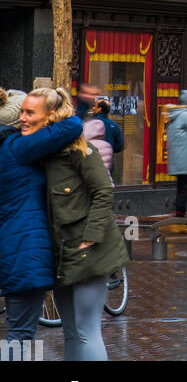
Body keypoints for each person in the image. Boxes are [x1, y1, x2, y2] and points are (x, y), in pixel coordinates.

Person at [0, 83, 94, 355]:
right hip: (23, 253)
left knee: (18, 333)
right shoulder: (16, 147)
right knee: (20, 335)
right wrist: (63, 105)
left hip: (14, 250)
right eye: (23, 114)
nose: (25, 119)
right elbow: (72, 126)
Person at [41, 86, 129, 361]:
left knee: (86, 331)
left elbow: (104, 192)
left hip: (89, 251)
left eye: (30, 113)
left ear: (51, 116)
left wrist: (90, 237)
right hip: (63, 252)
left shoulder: (81, 149)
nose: (23, 118)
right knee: (71, 330)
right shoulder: (40, 153)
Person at [165, 89, 187, 217]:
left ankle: (180, 211)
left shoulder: (176, 114)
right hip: (185, 159)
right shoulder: (186, 115)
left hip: (178, 159)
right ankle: (181, 212)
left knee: (181, 186)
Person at [94, 99, 124, 178]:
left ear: (99, 109)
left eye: (95, 106)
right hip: (108, 163)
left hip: (92, 162)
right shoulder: (114, 125)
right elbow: (120, 145)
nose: (93, 108)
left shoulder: (91, 123)